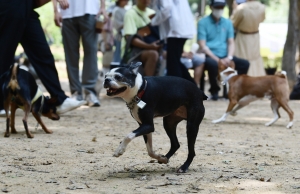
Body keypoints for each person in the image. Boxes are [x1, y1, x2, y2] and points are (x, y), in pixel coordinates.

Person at [0, 0, 86, 117]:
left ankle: (59, 100)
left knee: (42, 53)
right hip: (10, 6)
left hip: (26, 8)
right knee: (5, 55)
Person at [53, 0, 107, 107]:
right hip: (66, 12)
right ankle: (75, 93)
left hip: (90, 10)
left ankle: (89, 92)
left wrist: (103, 6)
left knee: (91, 53)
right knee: (70, 55)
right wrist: (55, 10)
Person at [197, 0, 250, 100]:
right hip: (210, 55)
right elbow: (203, 45)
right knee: (212, 65)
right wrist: (218, 60)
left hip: (225, 55)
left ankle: (237, 90)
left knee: (245, 64)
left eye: (222, 7)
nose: (219, 10)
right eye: (217, 7)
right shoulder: (203, 22)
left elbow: (231, 42)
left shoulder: (227, 22)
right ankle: (215, 91)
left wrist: (229, 57)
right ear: (211, 7)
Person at [151, 0, 196, 84]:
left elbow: (166, 9)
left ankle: (177, 91)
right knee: (175, 61)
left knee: (173, 64)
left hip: (175, 30)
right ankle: (193, 88)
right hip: (180, 28)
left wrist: (153, 21)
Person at [122, 0, 161, 76]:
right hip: (134, 52)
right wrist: (150, 46)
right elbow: (130, 39)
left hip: (153, 47)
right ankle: (147, 84)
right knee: (153, 54)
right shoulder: (130, 13)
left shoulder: (153, 13)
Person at [231, 0, 266, 77]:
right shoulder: (262, 7)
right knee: (255, 58)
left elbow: (233, 22)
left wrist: (234, 9)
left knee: (242, 58)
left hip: (243, 38)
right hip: (255, 37)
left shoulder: (241, 9)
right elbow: (262, 19)